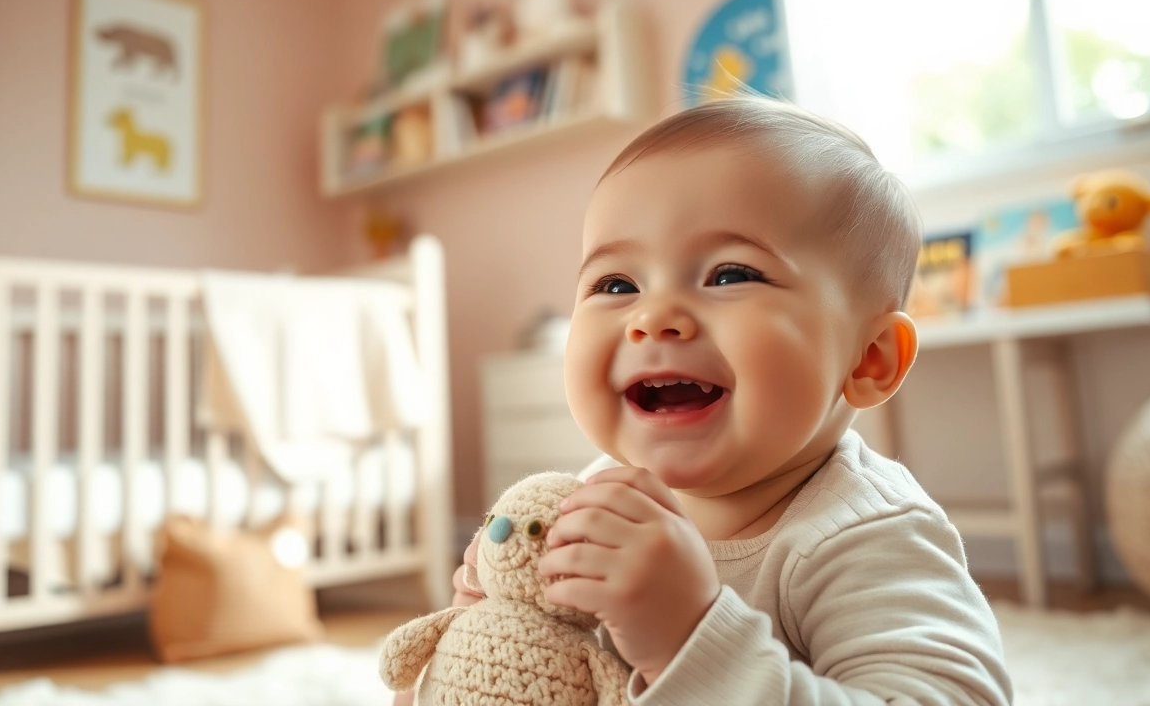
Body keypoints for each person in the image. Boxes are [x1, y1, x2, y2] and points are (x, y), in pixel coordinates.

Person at [395, 96, 1012, 705]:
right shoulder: (593, 498)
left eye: (730, 275)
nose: (653, 316)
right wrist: (479, 641)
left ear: (869, 358)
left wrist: (691, 637)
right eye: (617, 284)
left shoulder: (864, 536)